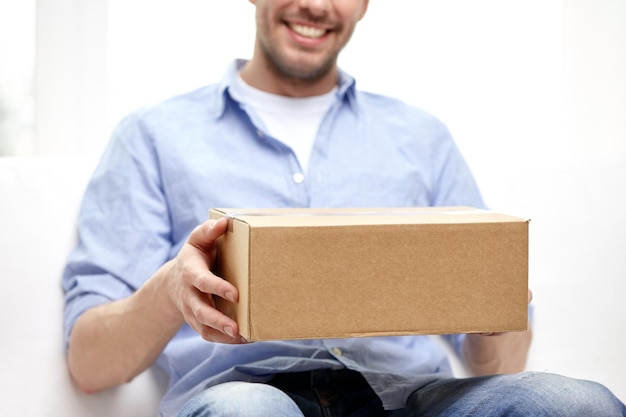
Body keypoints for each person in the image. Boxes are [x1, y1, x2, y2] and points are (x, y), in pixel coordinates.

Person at [62, 1, 626, 416]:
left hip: (412, 398)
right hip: (246, 393)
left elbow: (499, 366)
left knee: (578, 403)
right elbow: (91, 367)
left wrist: (492, 305)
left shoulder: (420, 137)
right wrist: (171, 289)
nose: (313, 5)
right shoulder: (153, 136)